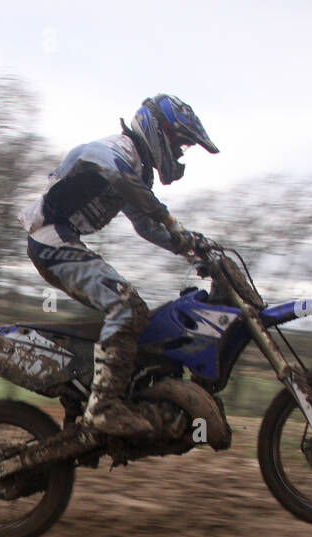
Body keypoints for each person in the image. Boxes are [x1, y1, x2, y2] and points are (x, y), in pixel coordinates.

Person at [19, 94, 218, 437]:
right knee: (126, 307)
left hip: (63, 242)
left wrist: (192, 246)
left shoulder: (135, 168)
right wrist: (168, 216)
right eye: (180, 143)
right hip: (51, 240)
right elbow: (115, 171)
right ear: (159, 131)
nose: (181, 152)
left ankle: (102, 389)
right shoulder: (119, 149)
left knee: (130, 310)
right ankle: (105, 407)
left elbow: (146, 226)